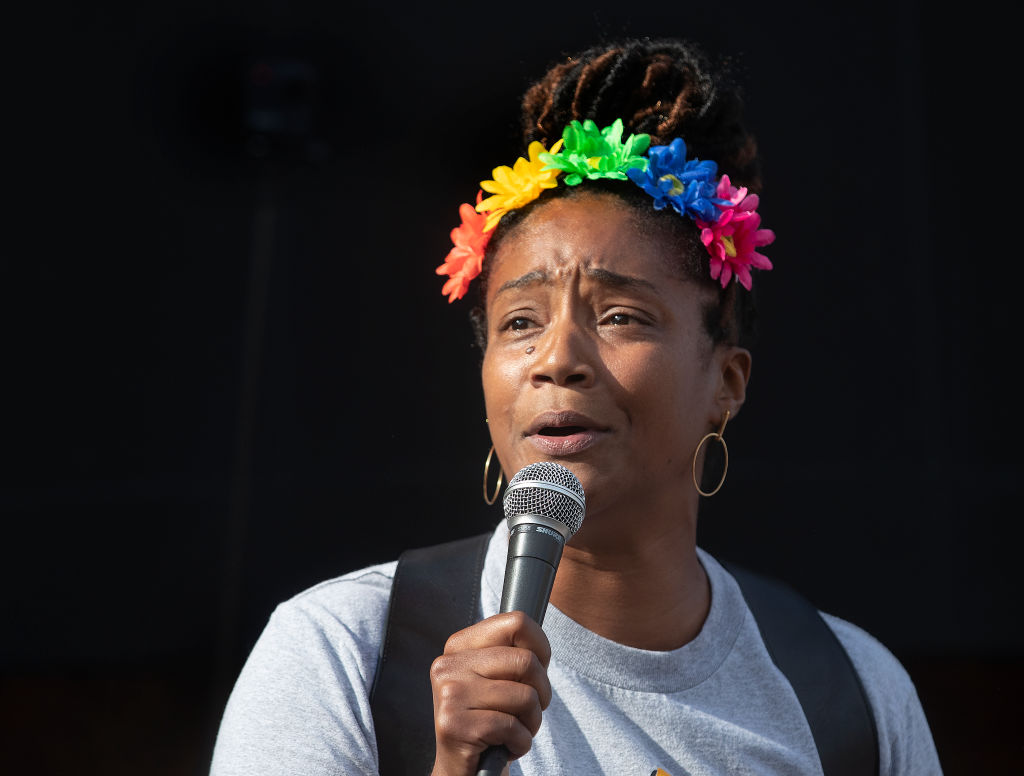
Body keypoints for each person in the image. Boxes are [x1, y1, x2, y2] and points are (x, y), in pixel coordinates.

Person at [208, 38, 942, 776]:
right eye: (520, 323)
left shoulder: (849, 695)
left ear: (728, 382)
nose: (557, 359)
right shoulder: (346, 652)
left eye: (621, 316)